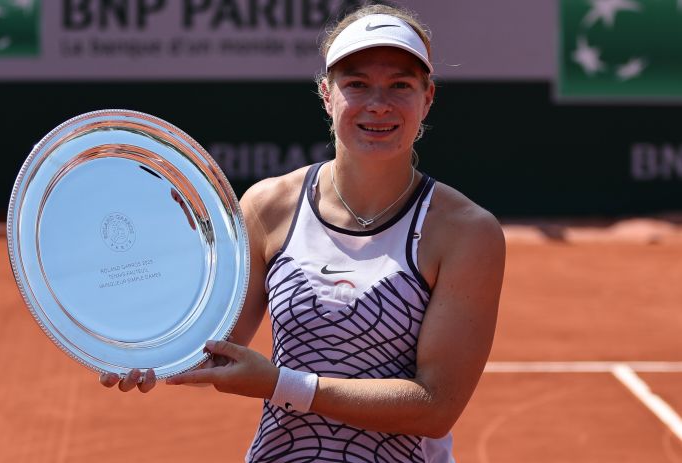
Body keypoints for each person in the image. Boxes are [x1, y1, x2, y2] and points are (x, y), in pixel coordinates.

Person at [100, 4, 505, 462]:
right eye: (357, 84)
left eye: (400, 85)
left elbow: (435, 408)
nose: (379, 104)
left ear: (427, 98)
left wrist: (281, 385)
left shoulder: (467, 233)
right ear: (326, 94)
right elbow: (213, 349)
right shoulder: (267, 206)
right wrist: (145, 350)